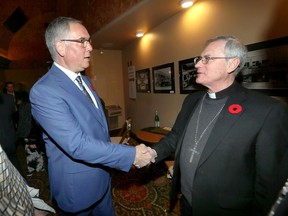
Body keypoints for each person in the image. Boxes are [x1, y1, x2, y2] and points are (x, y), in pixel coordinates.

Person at [29, 16, 157, 216]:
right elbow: (77, 145)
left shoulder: (85, 80)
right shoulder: (44, 91)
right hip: (77, 188)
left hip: (102, 177)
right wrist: (131, 155)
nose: (90, 47)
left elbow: (96, 124)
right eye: (82, 41)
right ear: (60, 47)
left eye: (89, 41)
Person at [152, 36, 288, 216]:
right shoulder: (192, 100)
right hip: (186, 202)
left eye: (206, 59)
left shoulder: (267, 110)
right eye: (199, 59)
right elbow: (175, 136)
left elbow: (269, 183)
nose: (198, 64)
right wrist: (151, 153)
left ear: (232, 64)